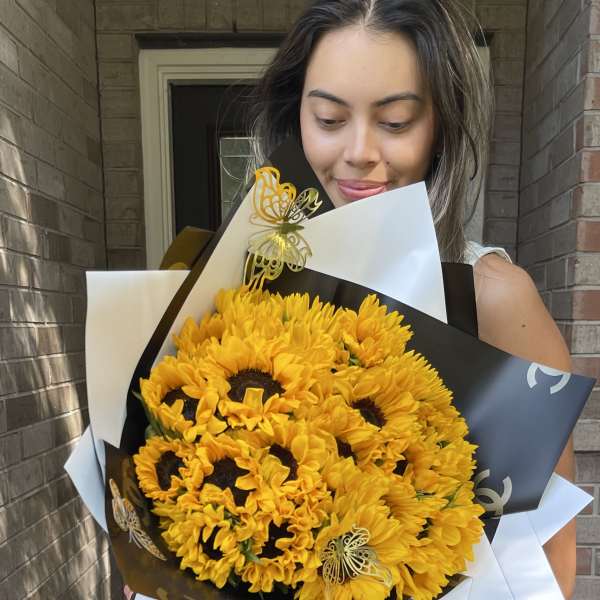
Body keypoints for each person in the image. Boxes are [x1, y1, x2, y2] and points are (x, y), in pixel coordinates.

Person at [125, 1, 575, 598]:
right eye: (330, 119)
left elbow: (551, 564)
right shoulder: (236, 284)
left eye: (395, 122)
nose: (360, 150)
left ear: (439, 125)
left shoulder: (492, 297)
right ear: (296, 118)